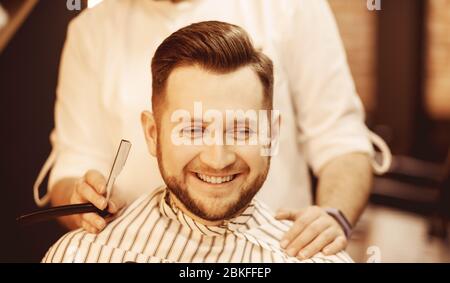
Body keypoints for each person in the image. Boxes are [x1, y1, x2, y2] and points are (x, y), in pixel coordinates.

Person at [36, 0, 390, 259]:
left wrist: (333, 216)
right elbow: (74, 162)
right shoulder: (92, 31)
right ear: (151, 134)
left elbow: (339, 139)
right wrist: (81, 202)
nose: (216, 159)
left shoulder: (292, 8)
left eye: (241, 130)